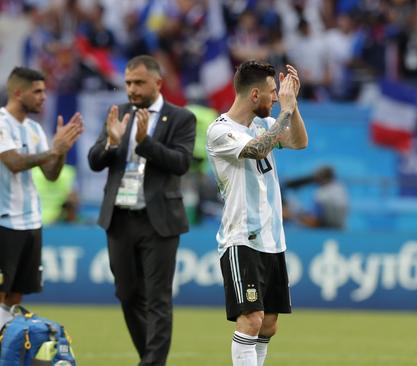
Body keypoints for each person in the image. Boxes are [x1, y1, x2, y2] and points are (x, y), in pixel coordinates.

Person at [87, 55, 196, 366]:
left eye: (138, 83)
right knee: (127, 294)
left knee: (158, 299)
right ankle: (148, 358)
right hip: (120, 219)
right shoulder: (119, 113)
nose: (131, 89)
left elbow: (181, 162)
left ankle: (152, 363)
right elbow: (95, 162)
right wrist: (110, 142)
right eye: (128, 83)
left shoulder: (180, 118)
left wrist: (145, 142)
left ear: (157, 83)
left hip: (158, 220)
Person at [205, 60, 307, 366]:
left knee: (268, 325)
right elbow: (257, 150)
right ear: (253, 95)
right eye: (272, 92)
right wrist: (285, 113)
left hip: (272, 240)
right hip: (242, 238)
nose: (275, 98)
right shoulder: (219, 131)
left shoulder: (264, 124)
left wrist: (294, 105)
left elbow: (300, 142)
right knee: (251, 319)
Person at [0, 67, 83, 328]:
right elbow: (13, 162)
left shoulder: (34, 129)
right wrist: (53, 150)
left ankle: (7, 349)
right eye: (37, 91)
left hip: (31, 221)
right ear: (17, 92)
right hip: (4, 219)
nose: (43, 97)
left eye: (44, 91)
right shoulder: (1, 123)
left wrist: (59, 152)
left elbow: (50, 174)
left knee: (16, 294)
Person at [283, 165, 349, 229]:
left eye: (316, 177)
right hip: (339, 227)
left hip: (325, 228)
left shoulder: (322, 193)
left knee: (288, 214)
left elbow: (314, 221)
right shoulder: (341, 187)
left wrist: (293, 216)